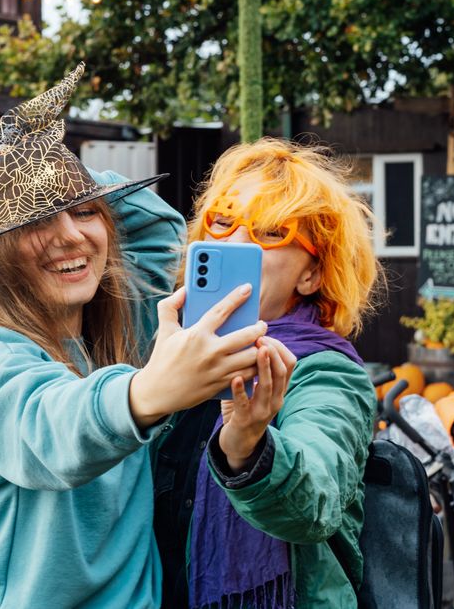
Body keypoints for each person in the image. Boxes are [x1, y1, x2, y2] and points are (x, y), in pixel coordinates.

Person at [0, 64, 265, 608]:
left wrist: (56, 166)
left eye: (85, 213)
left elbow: (161, 233)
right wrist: (147, 393)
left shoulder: (118, 336)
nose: (70, 235)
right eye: (34, 222)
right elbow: (52, 429)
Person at [154, 139, 383, 608]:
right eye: (223, 220)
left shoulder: (327, 374)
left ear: (312, 276)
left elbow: (316, 503)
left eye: (270, 231)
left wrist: (249, 447)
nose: (237, 243)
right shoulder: (168, 352)